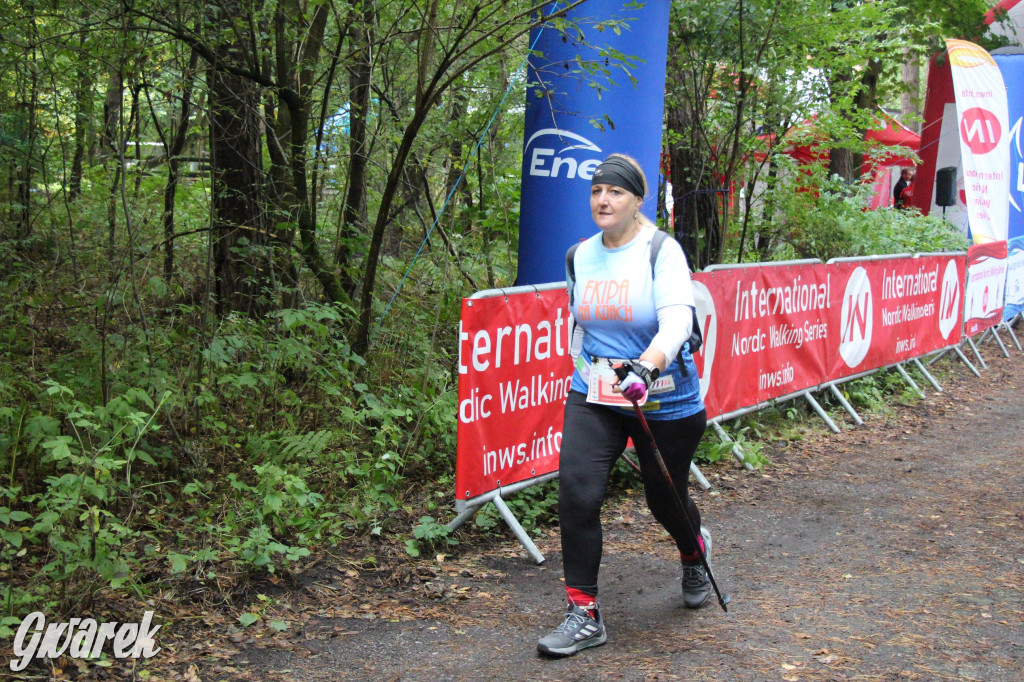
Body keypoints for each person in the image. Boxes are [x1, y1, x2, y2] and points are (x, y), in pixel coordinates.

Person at [537, 154, 713, 658]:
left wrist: (648, 366)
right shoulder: (579, 256)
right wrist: (591, 366)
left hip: (664, 396)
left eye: (614, 192)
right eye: (596, 191)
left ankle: (693, 550)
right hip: (596, 392)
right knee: (576, 491)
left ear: (638, 200)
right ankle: (584, 614)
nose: (602, 200)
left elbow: (678, 319)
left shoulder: (661, 251)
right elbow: (580, 323)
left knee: (665, 499)